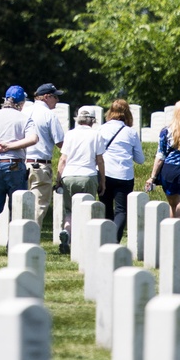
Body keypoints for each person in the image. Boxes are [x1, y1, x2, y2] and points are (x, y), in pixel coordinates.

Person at [0, 86, 38, 255]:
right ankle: (14, 241)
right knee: (16, 204)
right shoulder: (24, 118)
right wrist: (10, 146)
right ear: (21, 103)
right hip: (14, 164)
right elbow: (33, 138)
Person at [55, 105, 105, 255]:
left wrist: (58, 180)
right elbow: (100, 160)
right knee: (86, 210)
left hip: (69, 176)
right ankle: (82, 241)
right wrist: (103, 181)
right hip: (87, 176)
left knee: (69, 210)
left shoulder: (70, 134)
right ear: (93, 120)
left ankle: (67, 233)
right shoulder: (96, 135)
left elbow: (63, 159)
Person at [100, 98, 144, 237]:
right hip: (124, 175)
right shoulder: (131, 133)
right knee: (121, 210)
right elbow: (140, 159)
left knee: (106, 207)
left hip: (105, 174)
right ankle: (114, 240)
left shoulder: (102, 129)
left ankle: (106, 238)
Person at [24, 83, 66, 227]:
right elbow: (61, 143)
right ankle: (30, 237)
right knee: (39, 205)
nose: (58, 101)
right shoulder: (49, 115)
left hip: (20, 163)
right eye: (55, 97)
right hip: (40, 165)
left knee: (19, 204)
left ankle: (16, 237)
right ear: (47, 97)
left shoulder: (23, 111)